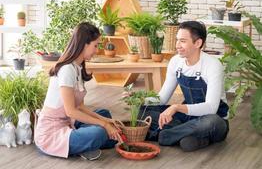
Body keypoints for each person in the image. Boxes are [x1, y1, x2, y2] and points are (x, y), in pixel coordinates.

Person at [35, 22, 122, 160]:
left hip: (69, 123)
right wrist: (104, 125)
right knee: (99, 132)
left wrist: (106, 120)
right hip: (51, 134)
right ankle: (89, 142)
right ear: (84, 44)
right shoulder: (67, 70)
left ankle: (89, 142)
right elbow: (71, 111)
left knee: (104, 114)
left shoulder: (77, 67)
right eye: (95, 45)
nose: (97, 50)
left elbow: (80, 107)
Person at [139, 21, 229, 152]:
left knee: (212, 122)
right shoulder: (176, 62)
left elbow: (211, 108)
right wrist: (140, 100)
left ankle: (164, 135)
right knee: (142, 111)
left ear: (198, 43)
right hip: (187, 118)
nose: (177, 45)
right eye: (177, 40)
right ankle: (190, 137)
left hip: (213, 118)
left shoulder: (213, 65)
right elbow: (162, 98)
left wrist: (175, 107)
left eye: (182, 41)